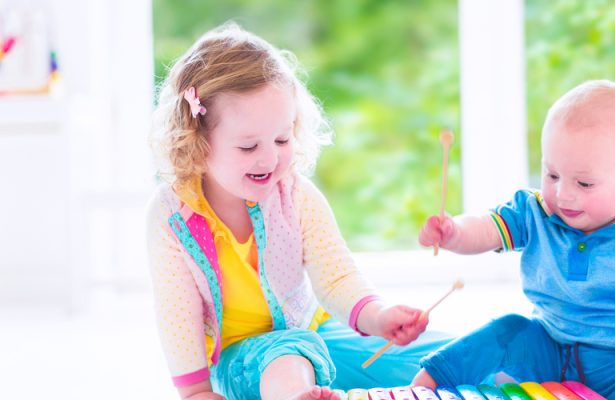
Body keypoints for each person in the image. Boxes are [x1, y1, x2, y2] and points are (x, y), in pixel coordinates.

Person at [147, 23, 450, 400]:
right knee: (287, 359)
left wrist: (380, 317)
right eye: (248, 147)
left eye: (282, 138)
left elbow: (337, 278)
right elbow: (177, 316)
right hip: (239, 358)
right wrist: (195, 392)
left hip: (312, 334)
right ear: (198, 142)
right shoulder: (171, 216)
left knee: (443, 359)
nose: (271, 158)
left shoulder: (296, 195)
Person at [413, 80, 615, 399]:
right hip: (549, 343)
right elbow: (486, 228)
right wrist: (454, 232)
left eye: (584, 183)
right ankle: (430, 380)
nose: (563, 194)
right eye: (552, 175)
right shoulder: (536, 211)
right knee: (506, 331)